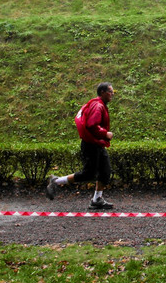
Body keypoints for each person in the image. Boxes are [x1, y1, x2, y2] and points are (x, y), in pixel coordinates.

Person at [46, 82, 116, 210]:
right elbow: (91, 125)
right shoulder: (98, 106)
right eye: (110, 92)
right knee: (88, 174)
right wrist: (106, 134)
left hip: (97, 144)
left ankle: (97, 200)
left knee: (105, 172)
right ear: (102, 92)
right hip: (91, 145)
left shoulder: (99, 105)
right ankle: (56, 181)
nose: (112, 94)